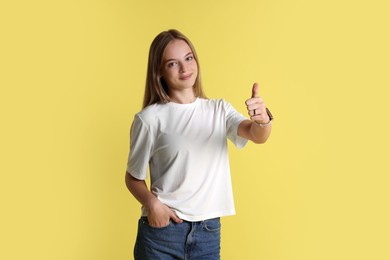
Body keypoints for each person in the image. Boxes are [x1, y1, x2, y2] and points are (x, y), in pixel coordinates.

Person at [125, 29, 273, 260]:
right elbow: (133, 177)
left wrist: (262, 120)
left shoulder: (218, 109)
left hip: (208, 232)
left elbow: (256, 135)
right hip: (162, 234)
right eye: (173, 64)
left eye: (188, 58)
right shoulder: (149, 119)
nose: (184, 69)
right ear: (159, 72)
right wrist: (153, 205)